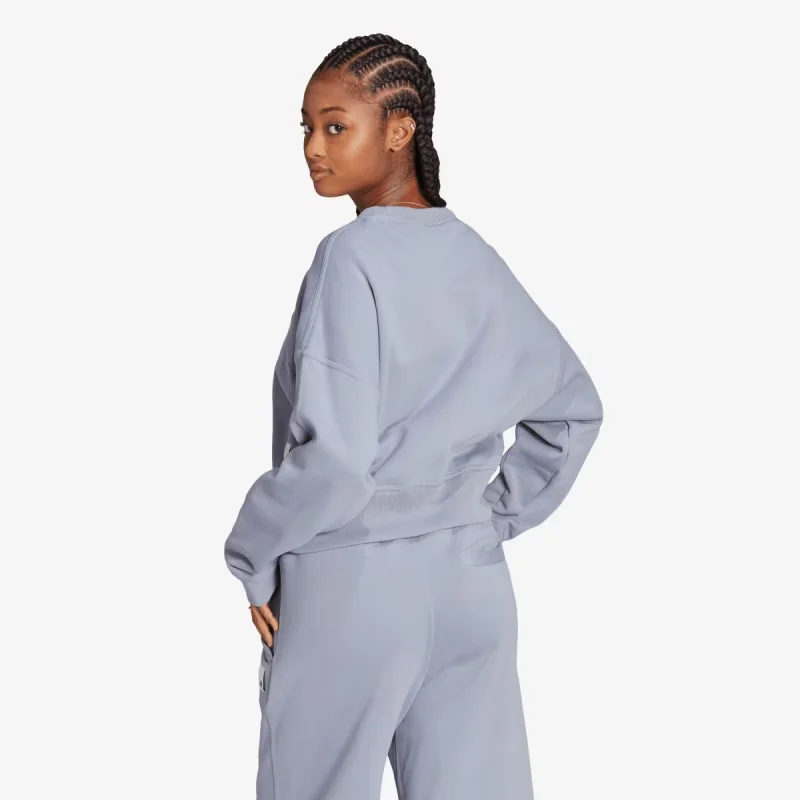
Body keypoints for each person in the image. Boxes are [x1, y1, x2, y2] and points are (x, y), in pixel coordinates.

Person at [223, 32, 604, 800]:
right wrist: (484, 519)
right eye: (306, 127)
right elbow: (572, 410)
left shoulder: (349, 258)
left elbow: (336, 465)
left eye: (336, 126)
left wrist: (250, 552)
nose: (313, 148)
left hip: (351, 588)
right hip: (472, 588)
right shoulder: (474, 256)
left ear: (400, 130)